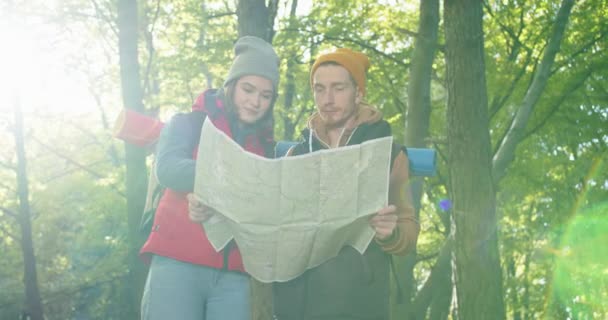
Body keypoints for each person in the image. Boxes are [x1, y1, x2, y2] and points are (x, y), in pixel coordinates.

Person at [271, 48, 420, 320]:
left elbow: (408, 231)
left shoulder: (388, 153)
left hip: (358, 300)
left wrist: (391, 233)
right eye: (319, 89)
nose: (327, 99)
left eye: (338, 88)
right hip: (298, 302)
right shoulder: (296, 155)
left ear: (358, 92)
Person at [139, 36, 280, 320]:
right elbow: (168, 168)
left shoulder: (267, 148)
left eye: (265, 96)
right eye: (248, 90)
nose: (255, 102)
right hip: (177, 263)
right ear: (231, 86)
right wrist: (214, 186)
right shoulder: (188, 123)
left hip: (235, 276)